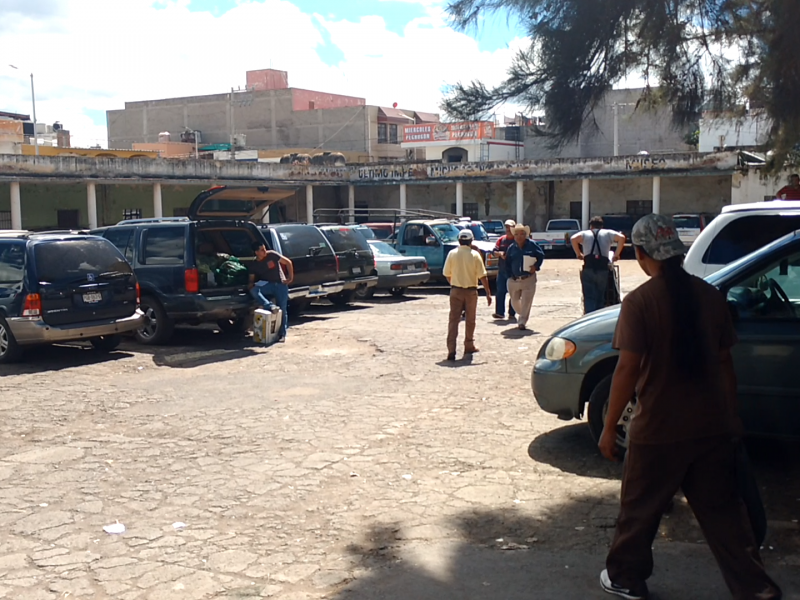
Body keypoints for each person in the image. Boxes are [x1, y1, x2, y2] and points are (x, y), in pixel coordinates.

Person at [598, 214, 781, 600]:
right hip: (711, 428)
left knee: (639, 511)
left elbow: (627, 369)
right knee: (727, 520)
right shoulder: (710, 296)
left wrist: (608, 426)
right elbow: (725, 364)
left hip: (657, 432)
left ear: (640, 253)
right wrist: (731, 419)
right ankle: (756, 589)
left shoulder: (640, 302)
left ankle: (627, 579)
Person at [443, 228, 492, 361]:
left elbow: (447, 274)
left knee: (453, 320)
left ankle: (451, 350)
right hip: (471, 291)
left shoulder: (452, 253)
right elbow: (483, 276)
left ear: (459, 240)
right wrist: (488, 293)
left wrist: (454, 284)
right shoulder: (475, 255)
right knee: (470, 320)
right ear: (471, 241)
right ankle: (468, 345)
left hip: (456, 290)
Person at [570, 216, 626, 314]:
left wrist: (578, 254)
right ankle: (598, 315)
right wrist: (616, 255)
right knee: (600, 295)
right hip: (602, 268)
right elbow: (622, 237)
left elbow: (573, 238)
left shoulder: (585, 234)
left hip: (589, 267)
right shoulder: (608, 233)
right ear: (602, 226)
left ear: (591, 226)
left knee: (589, 296)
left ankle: (589, 316)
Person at [248, 241, 294, 341]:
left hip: (280, 284)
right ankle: (270, 306)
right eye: (262, 250)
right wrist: (251, 283)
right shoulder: (254, 264)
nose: (265, 251)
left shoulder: (272, 255)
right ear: (256, 252)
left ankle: (282, 334)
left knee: (283, 308)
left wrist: (290, 278)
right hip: (267, 284)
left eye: (265, 249)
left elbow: (288, 262)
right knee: (254, 290)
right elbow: (251, 278)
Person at [505, 224, 545, 331]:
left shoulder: (532, 245)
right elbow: (507, 262)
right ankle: (522, 312)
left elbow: (541, 256)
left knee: (527, 301)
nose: (519, 237)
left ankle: (522, 321)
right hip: (514, 279)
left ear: (525, 235)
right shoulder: (511, 248)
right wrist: (509, 275)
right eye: (516, 234)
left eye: (522, 234)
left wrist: (536, 267)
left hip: (528, 278)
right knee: (514, 300)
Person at [491, 219, 518, 321]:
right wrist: (500, 254)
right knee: (500, 292)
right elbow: (494, 251)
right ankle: (499, 313)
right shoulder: (501, 240)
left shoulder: (517, 240)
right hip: (502, 271)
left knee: (514, 293)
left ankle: (512, 313)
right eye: (506, 227)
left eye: (510, 227)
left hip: (513, 271)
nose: (508, 229)